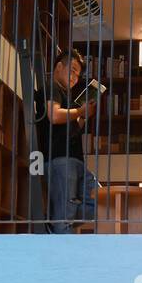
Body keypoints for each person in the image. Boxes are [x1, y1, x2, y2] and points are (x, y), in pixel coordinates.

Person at [41, 49, 100, 233]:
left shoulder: (69, 98)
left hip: (75, 159)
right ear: (59, 66)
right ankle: (59, 228)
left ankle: (58, 219)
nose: (75, 76)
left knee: (99, 202)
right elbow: (54, 115)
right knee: (65, 215)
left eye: (78, 73)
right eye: (73, 70)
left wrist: (83, 115)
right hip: (60, 158)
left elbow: (73, 128)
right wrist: (80, 112)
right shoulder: (52, 87)